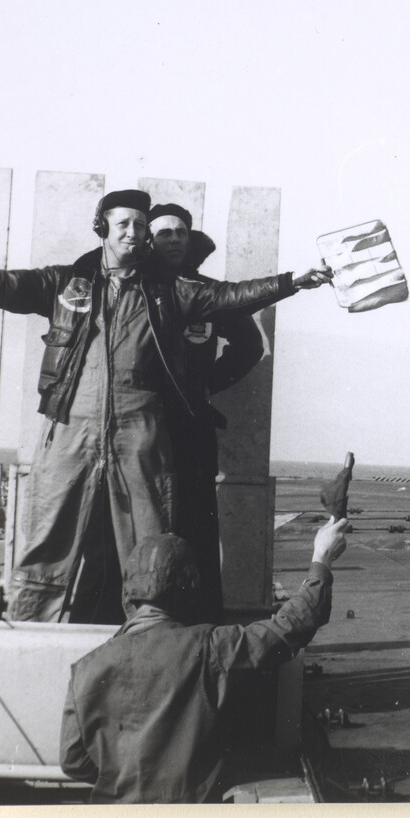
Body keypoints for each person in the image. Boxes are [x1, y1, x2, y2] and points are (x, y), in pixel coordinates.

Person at [0, 189, 332, 623]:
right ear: (101, 227)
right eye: (123, 223)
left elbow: (232, 296)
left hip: (140, 428)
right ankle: (28, 633)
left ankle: (149, 635)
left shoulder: (170, 291)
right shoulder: (64, 283)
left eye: (140, 225)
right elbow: (2, 285)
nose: (133, 232)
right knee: (50, 535)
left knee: (148, 541)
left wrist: (294, 281)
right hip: (71, 425)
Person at [59, 521, 347, 803]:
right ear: (188, 589)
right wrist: (321, 558)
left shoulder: (85, 669)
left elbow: (73, 761)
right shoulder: (211, 648)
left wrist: (126, 777)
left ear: (128, 593)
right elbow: (293, 625)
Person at [146, 203, 268, 622]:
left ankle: (201, 624)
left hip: (192, 426)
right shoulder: (133, 288)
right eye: (164, 233)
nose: (174, 239)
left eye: (181, 232)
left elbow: (251, 347)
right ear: (148, 239)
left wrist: (206, 385)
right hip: (140, 423)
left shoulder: (207, 293)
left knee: (197, 525)